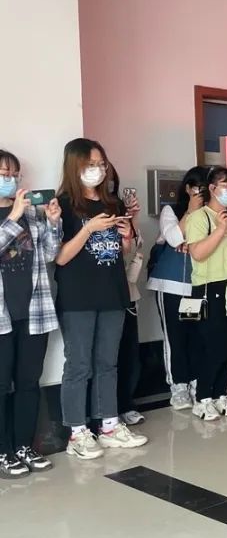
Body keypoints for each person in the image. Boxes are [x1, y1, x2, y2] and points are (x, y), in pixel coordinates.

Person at [54, 138, 148, 458]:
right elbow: (61, 257)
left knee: (108, 362)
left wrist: (127, 235)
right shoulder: (63, 205)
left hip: (113, 293)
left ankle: (109, 425)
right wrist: (88, 229)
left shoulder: (113, 203)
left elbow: (122, 253)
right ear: (75, 166)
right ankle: (77, 433)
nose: (97, 170)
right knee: (79, 365)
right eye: (90, 164)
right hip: (78, 297)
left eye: (101, 164)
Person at [0, 151, 62, 477]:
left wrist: (52, 222)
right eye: (3, 173)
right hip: (2, 317)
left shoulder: (31, 213)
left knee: (28, 382)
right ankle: (3, 451)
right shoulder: (17, 214)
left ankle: (24, 445)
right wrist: (12, 218)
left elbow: (51, 254)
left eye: (14, 174)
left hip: (34, 312)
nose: (10, 180)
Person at [186, 166, 227, 421]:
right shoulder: (199, 217)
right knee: (214, 345)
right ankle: (202, 397)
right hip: (206, 288)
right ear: (212, 188)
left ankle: (220, 394)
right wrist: (220, 230)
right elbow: (197, 253)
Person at [147, 165, 207, 410]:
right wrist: (190, 211)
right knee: (175, 336)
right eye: (198, 188)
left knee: (193, 334)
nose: (202, 193)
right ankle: (178, 386)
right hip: (171, 285)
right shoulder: (171, 210)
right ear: (188, 189)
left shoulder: (211, 214)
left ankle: (195, 381)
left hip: (195, 286)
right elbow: (173, 238)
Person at [108, 165, 146, 427]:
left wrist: (132, 220)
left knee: (129, 352)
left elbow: (135, 248)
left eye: (111, 177)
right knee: (106, 357)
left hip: (127, 292)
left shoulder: (120, 209)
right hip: (102, 294)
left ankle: (126, 404)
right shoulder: (84, 212)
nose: (106, 180)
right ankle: (107, 412)